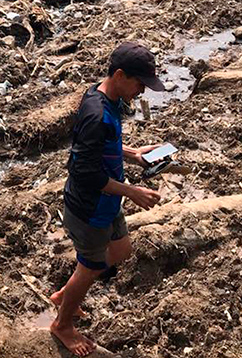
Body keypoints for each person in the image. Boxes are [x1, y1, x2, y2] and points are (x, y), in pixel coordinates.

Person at [50, 42, 166, 357]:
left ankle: (66, 295)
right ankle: (62, 326)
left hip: (107, 201)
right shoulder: (96, 112)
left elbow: (103, 146)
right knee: (90, 267)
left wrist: (133, 154)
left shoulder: (107, 98)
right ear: (119, 74)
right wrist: (133, 191)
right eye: (139, 83)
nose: (142, 91)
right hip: (89, 208)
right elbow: (84, 171)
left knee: (121, 250)